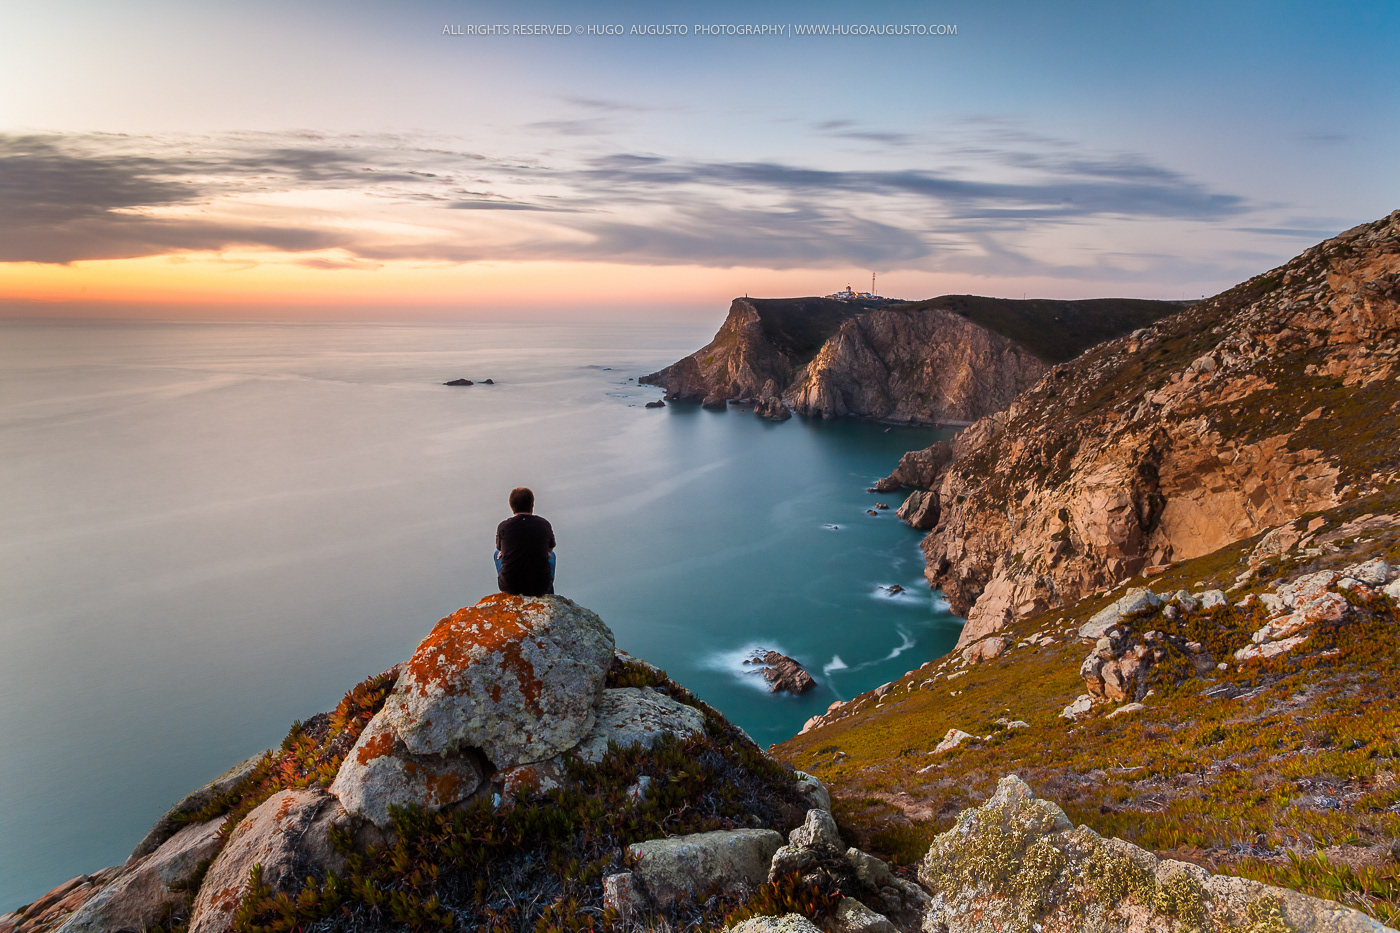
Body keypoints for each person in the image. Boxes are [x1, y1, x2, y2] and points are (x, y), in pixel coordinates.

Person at [494, 486, 556, 596]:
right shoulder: (544, 524)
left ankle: (508, 593)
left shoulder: (503, 526)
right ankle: (548, 594)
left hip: (511, 586)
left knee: (496, 554)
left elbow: (499, 548)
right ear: (532, 505)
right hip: (539, 587)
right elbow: (550, 548)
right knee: (552, 555)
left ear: (511, 506)